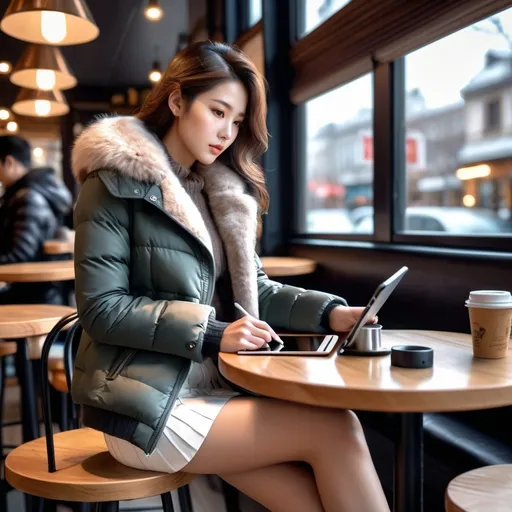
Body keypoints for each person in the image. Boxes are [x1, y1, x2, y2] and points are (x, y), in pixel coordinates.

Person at [70, 41, 389, 512]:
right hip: (143, 406)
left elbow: (253, 290)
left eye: (237, 121)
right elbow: (102, 309)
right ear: (177, 101)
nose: (227, 131)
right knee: (336, 428)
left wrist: (333, 314)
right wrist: (216, 333)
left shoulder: (217, 191)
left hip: (211, 391)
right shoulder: (112, 184)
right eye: (218, 111)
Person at [0, 135, 72, 304]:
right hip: (35, 290)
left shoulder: (28, 197)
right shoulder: (22, 194)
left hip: (35, 294)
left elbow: (21, 254)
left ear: (9, 162)